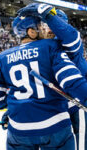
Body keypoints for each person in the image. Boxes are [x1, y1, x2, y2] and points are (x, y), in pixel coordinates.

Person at [0, 14, 87, 150]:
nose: (47, 30)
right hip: (57, 118)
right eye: (43, 26)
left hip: (73, 108)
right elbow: (73, 83)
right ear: (32, 32)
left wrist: (16, 109)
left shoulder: (5, 56)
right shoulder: (50, 46)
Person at [17, 3, 87, 150]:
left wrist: (46, 13)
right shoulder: (44, 50)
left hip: (78, 105)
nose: (48, 29)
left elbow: (69, 35)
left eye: (51, 24)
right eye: (45, 25)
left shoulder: (70, 44)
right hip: (57, 111)